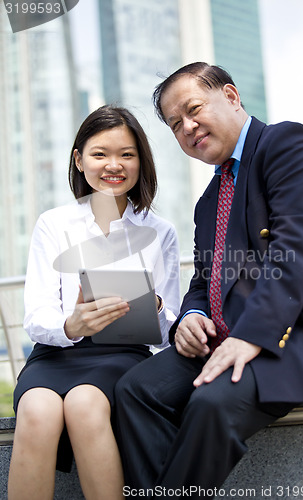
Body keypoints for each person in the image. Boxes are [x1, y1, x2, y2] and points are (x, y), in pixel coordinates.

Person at [115, 62, 303, 496]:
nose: (189, 127)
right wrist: (191, 317)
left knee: (212, 403)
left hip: (294, 338)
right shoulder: (209, 200)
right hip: (225, 336)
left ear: (231, 97)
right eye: (176, 125)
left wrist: (251, 334)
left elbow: (300, 249)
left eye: (194, 109)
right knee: (135, 390)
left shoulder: (286, 144)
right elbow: (203, 279)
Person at [7, 105, 180, 500]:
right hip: (55, 353)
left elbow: (171, 331)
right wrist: (72, 325)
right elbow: (36, 314)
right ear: (79, 160)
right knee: (37, 409)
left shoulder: (160, 231)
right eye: (100, 154)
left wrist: (152, 305)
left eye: (127, 154)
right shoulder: (54, 223)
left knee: (85, 403)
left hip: (124, 354)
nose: (113, 165)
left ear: (141, 161)